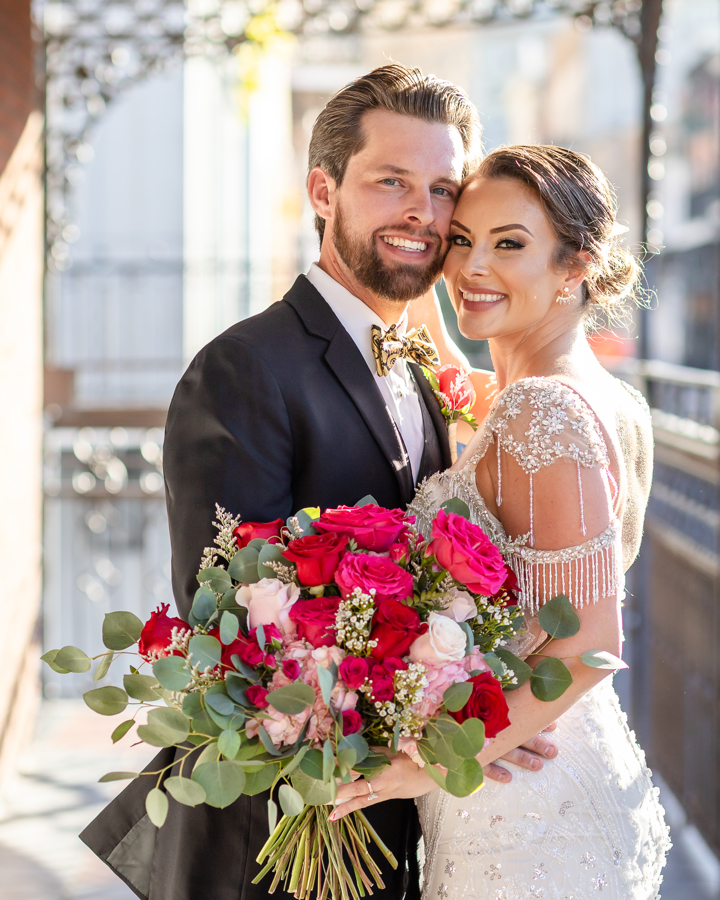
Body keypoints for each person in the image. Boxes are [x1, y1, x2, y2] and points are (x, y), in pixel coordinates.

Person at [80, 65, 557, 900]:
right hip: (275, 839)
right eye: (391, 182)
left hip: (401, 826)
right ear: (323, 190)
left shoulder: (424, 370)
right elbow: (233, 629)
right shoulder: (242, 371)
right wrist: (451, 730)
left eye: (443, 189)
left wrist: (483, 712)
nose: (423, 212)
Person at [331, 145, 671, 899]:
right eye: (462, 240)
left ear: (575, 265)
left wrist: (423, 763)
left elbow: (590, 646)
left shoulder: (541, 409)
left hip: (524, 798)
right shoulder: (595, 395)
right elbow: (455, 363)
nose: (471, 268)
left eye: (509, 244)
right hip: (550, 752)